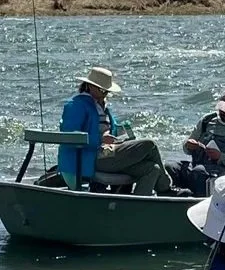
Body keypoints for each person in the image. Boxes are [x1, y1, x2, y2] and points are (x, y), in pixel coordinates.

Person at [59, 66, 174, 196]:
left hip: (109, 154)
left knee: (152, 169)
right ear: (90, 86)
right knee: (149, 145)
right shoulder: (76, 105)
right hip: (91, 157)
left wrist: (122, 136)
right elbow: (69, 137)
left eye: (107, 91)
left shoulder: (102, 106)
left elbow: (110, 129)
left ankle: (137, 206)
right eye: (103, 90)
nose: (105, 94)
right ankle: (166, 189)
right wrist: (100, 139)